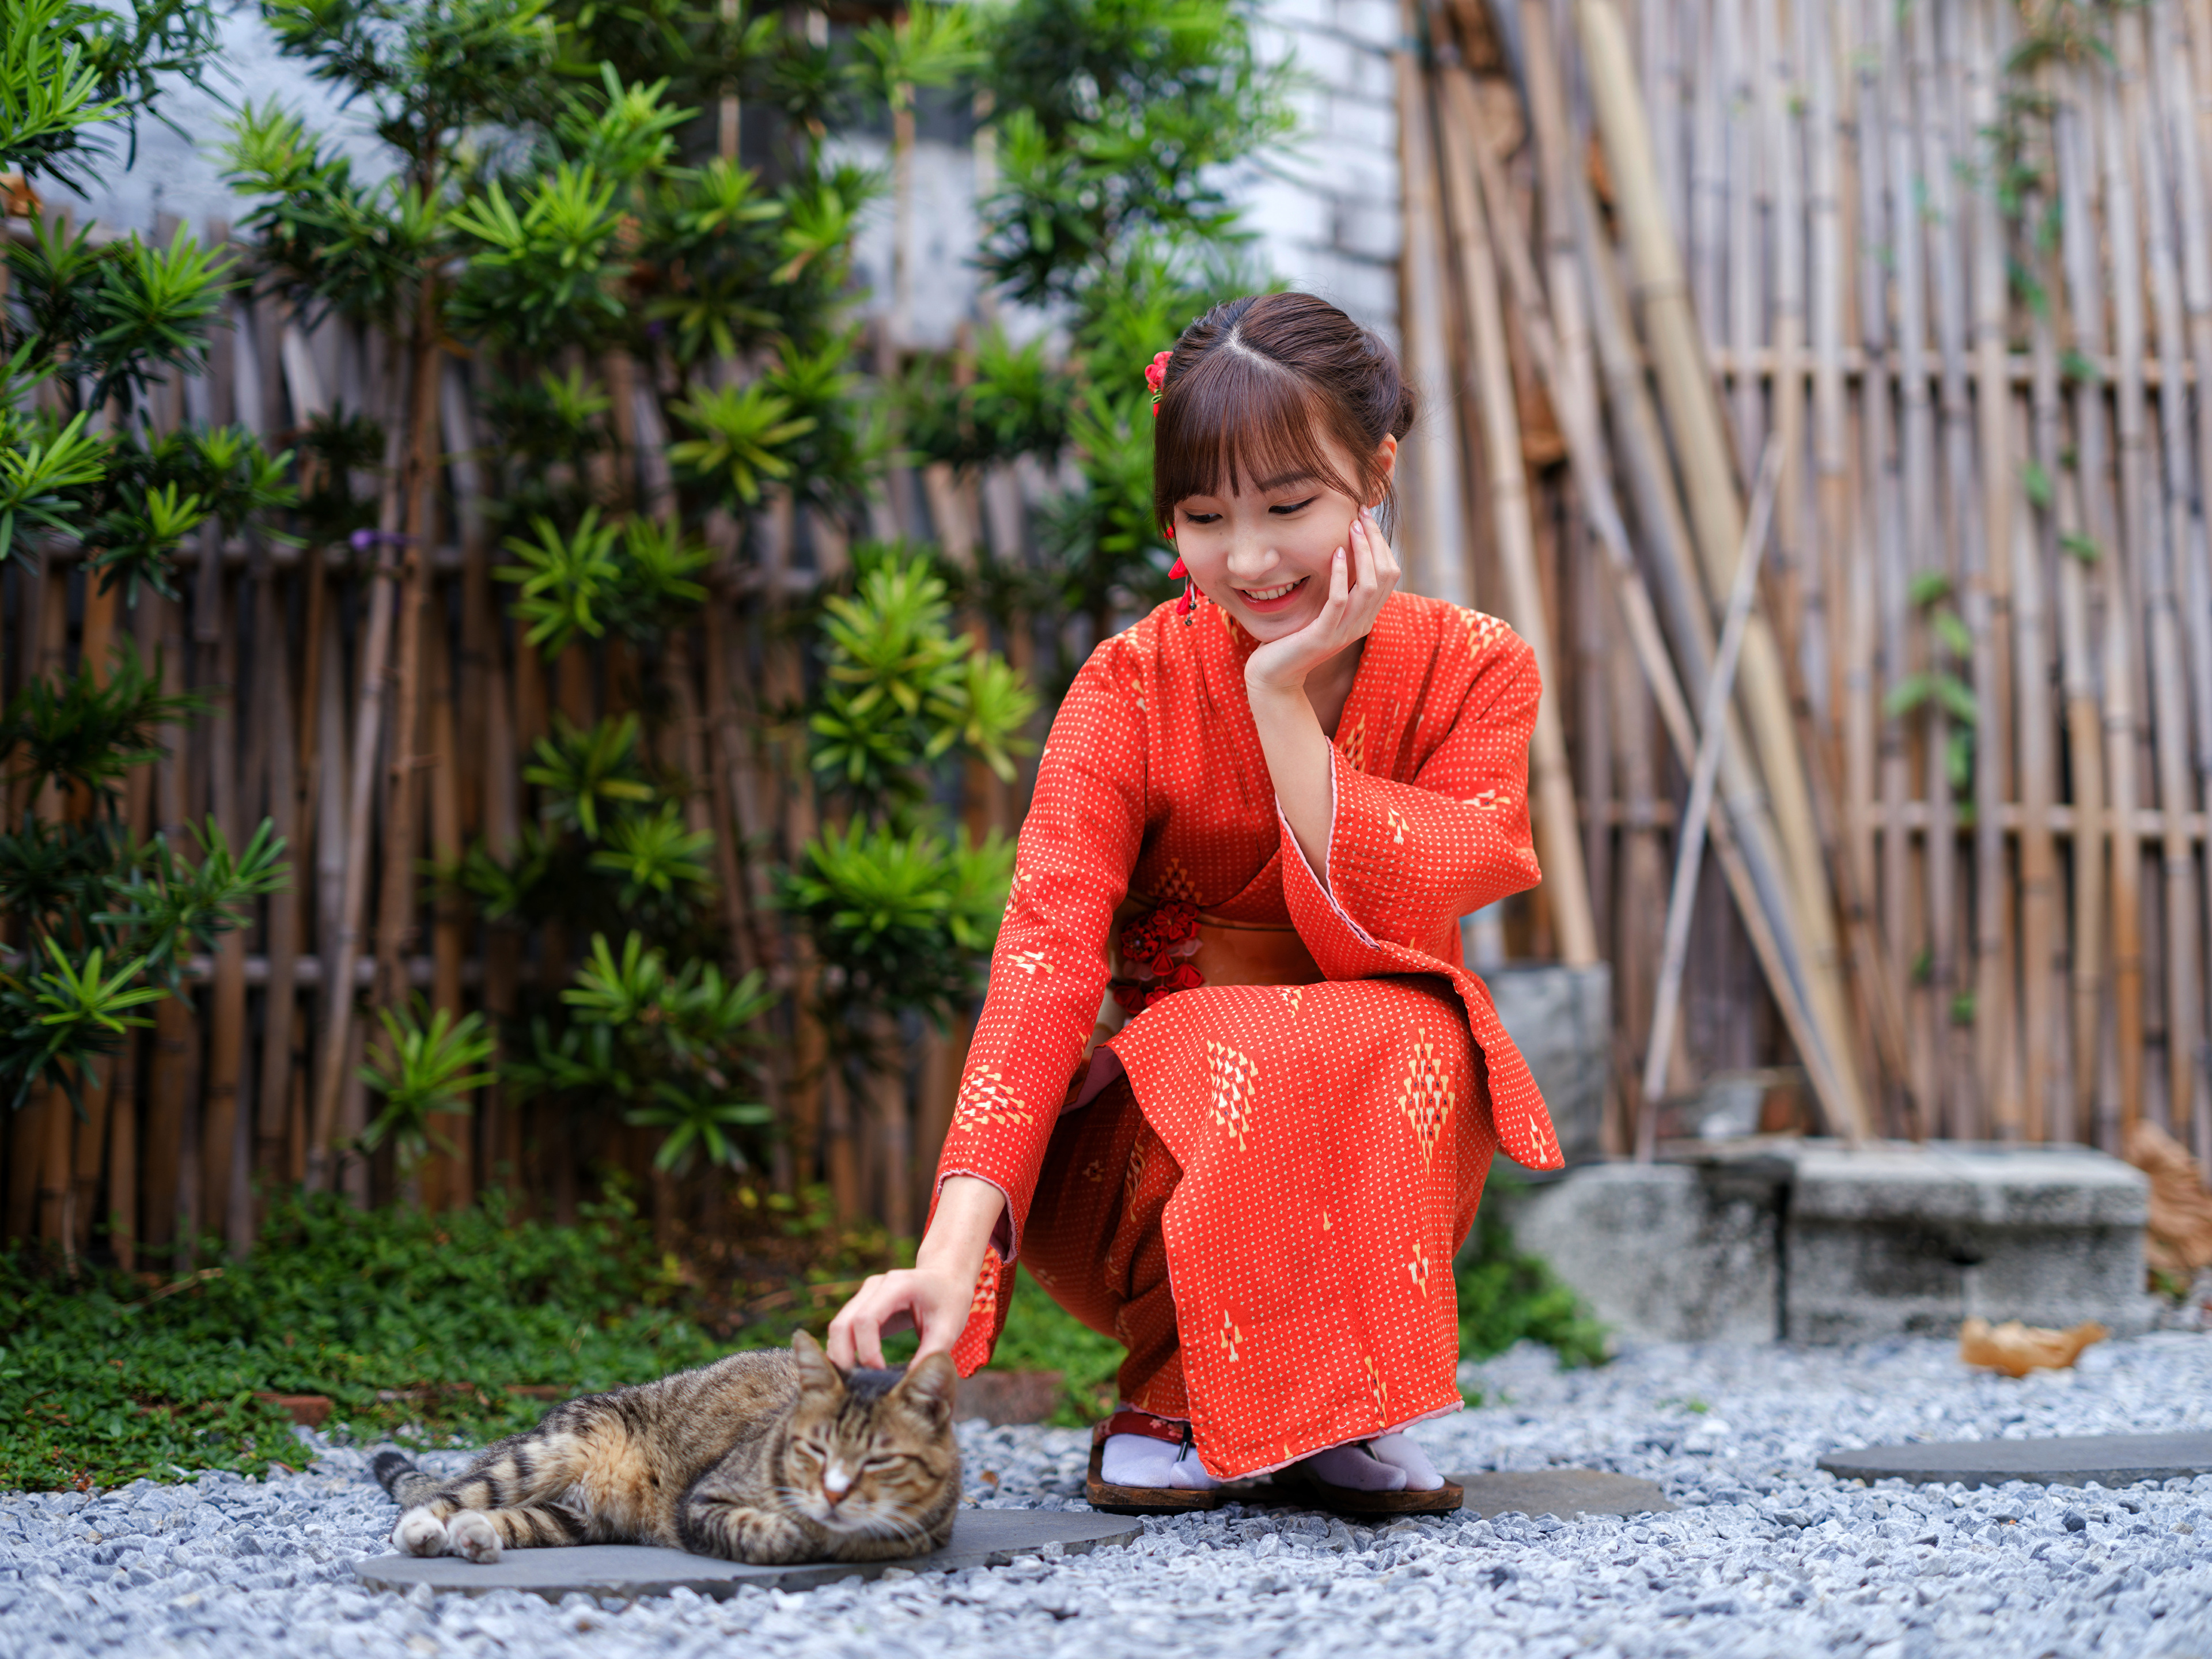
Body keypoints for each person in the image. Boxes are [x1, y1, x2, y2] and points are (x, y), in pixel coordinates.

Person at [827, 290, 1563, 1513]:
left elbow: (1454, 868)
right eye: (1208, 518)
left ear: (1376, 475)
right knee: (1244, 1043)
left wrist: (1281, 704)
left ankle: (1338, 1407)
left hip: (1378, 1103)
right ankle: (1173, 1392)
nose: (1253, 559)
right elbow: (1047, 951)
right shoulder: (1128, 686)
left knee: (1409, 1028)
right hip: (1150, 1140)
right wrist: (950, 1252)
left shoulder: (1477, 666)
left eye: (1290, 508)